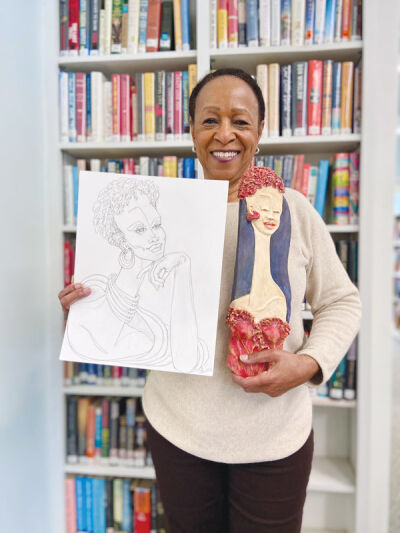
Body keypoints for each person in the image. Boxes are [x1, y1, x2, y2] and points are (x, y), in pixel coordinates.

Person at [59, 68, 361, 532]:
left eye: (240, 121)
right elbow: (136, 315)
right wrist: (88, 310)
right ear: (192, 132)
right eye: (209, 120)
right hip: (178, 431)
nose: (225, 134)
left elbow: (342, 301)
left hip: (273, 439)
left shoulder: (293, 210)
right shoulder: (163, 213)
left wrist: (310, 364)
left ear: (260, 132)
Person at [63, 176, 209, 373]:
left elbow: (186, 361)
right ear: (120, 240)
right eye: (139, 230)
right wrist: (74, 313)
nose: (155, 237)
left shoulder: (163, 286)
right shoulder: (95, 292)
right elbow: (100, 345)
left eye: (156, 225)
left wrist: (183, 266)